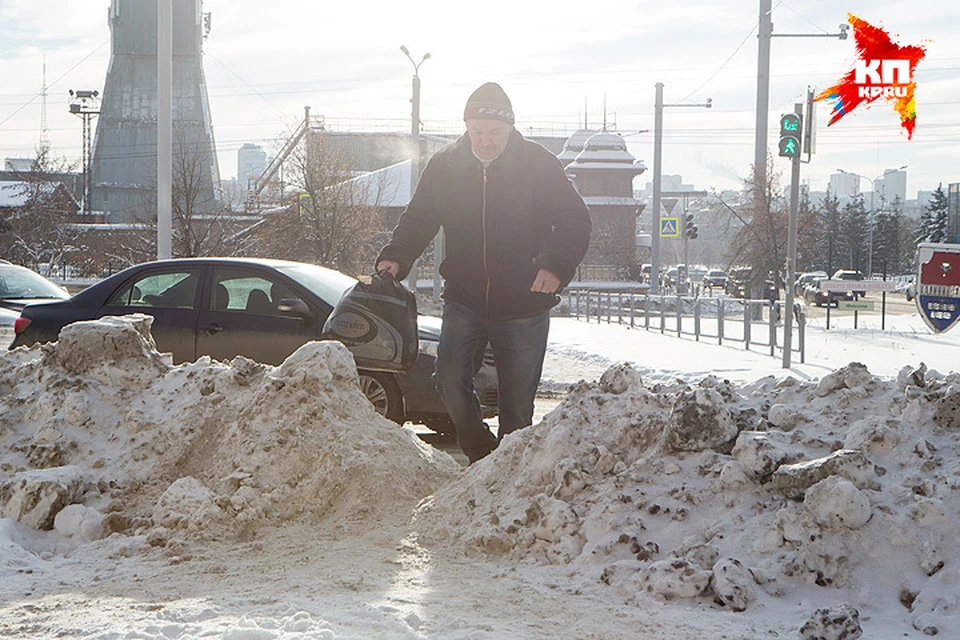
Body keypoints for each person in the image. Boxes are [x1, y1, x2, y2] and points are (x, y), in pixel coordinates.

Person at [376, 82, 592, 464]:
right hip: (465, 298)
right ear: (466, 127)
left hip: (526, 301)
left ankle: (508, 473)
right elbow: (419, 218)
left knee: (517, 404)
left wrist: (554, 265)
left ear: (510, 128)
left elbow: (575, 219)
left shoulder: (538, 165)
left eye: (493, 133)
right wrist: (396, 255)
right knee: (448, 379)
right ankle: (480, 456)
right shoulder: (445, 166)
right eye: (477, 132)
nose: (485, 141)